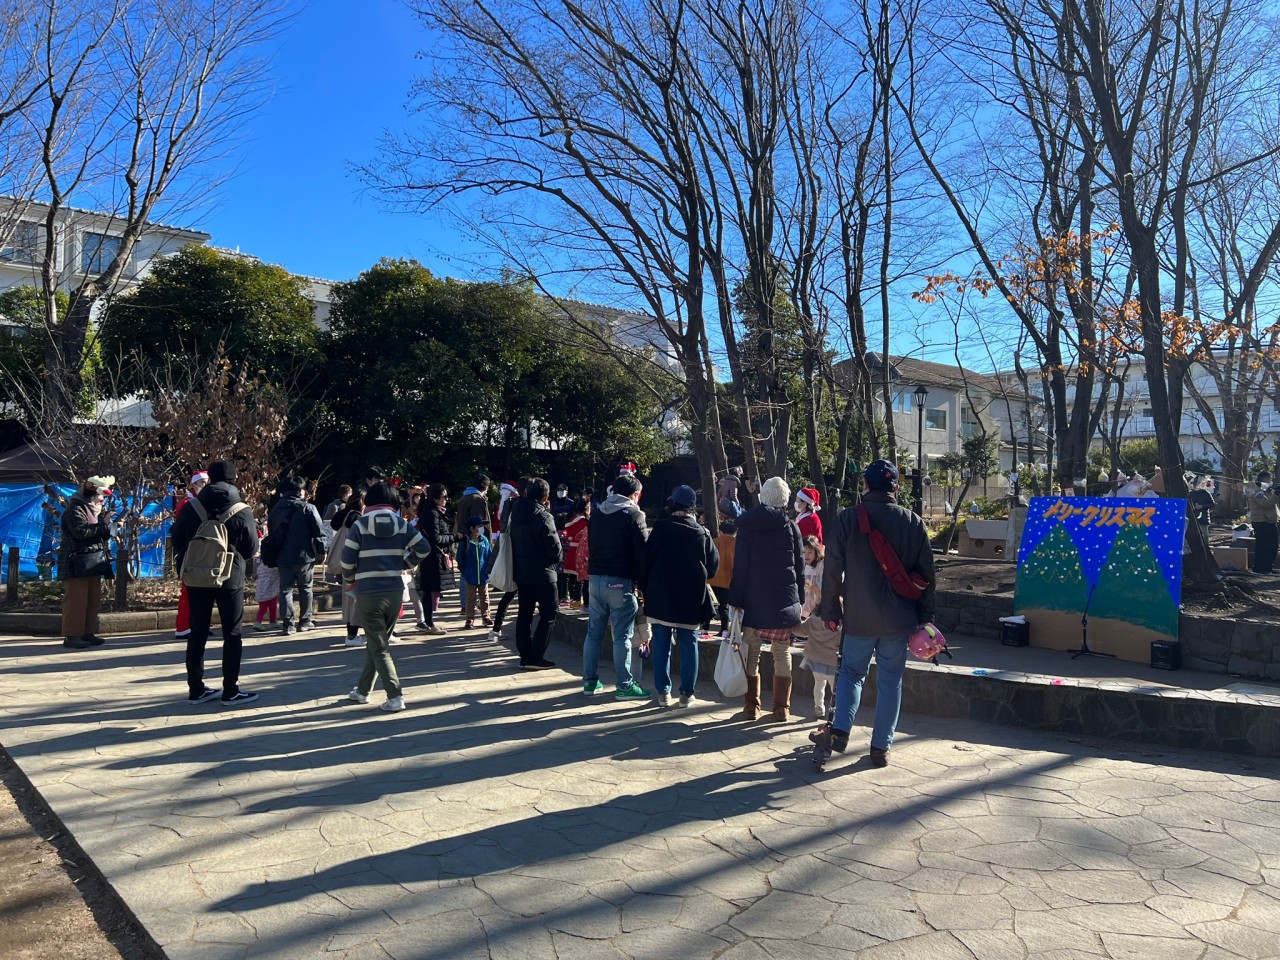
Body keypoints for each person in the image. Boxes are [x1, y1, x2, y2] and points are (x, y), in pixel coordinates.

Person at [816, 459, 936, 766]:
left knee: (852, 674)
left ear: (865, 486)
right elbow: (927, 577)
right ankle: (880, 747)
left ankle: (840, 730)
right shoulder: (913, 522)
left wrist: (830, 609)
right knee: (890, 681)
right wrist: (925, 620)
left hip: (859, 616)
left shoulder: (848, 519)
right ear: (896, 488)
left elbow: (832, 569)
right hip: (900, 620)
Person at [171, 460, 259, 705]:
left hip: (198, 576)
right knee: (232, 633)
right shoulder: (242, 509)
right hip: (230, 576)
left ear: (209, 478)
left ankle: (196, 688)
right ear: (233, 480)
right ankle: (231, 689)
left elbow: (177, 537)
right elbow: (251, 548)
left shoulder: (194, 506)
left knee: (197, 632)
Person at [341, 480, 432, 712]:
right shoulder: (402, 525)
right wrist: (404, 563)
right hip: (394, 592)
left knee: (379, 646)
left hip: (368, 592)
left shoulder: (360, 525)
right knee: (377, 642)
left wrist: (351, 582)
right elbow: (424, 548)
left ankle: (395, 696)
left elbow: (346, 561)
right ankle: (362, 691)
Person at [727, 476, 805, 721]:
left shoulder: (748, 526)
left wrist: (736, 599)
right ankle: (782, 708)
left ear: (763, 496)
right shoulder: (792, 527)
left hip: (754, 602)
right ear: (785, 499)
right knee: (782, 653)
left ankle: (752, 705)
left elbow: (740, 568)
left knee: (752, 652)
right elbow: (799, 568)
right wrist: (798, 601)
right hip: (783, 603)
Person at [640, 485, 719, 708]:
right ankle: (686, 694)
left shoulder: (660, 529)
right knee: (689, 645)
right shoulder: (702, 534)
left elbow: (646, 562)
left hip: (660, 597)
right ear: (692, 508)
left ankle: (663, 693)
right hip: (691, 599)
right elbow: (713, 568)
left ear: (672, 504)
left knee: (661, 645)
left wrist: (644, 587)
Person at [582, 473, 650, 699]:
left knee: (593, 633)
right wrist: (642, 584)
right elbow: (642, 553)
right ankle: (624, 686)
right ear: (633, 494)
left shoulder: (598, 513)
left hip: (595, 579)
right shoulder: (633, 514)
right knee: (621, 635)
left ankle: (590, 683)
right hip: (620, 582)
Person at [506, 477, 562, 669]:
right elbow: (555, 550)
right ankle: (536, 655)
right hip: (544, 573)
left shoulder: (515, 511)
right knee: (548, 614)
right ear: (545, 496)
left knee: (524, 613)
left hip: (521, 572)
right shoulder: (544, 516)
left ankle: (524, 653)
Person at [58, 475, 116, 649]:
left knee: (92, 598)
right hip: (75, 560)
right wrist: (103, 525)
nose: (101, 499)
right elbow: (81, 532)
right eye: (100, 495)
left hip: (92, 560)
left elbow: (99, 533)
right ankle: (72, 635)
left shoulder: (94, 509)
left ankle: (87, 632)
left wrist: (111, 527)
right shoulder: (74, 508)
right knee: (76, 599)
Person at [268, 477, 326, 635]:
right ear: (301, 491)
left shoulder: (275, 509)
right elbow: (319, 534)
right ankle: (305, 621)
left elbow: (271, 532)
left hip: (282, 556)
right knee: (305, 587)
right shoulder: (309, 508)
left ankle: (288, 624)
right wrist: (322, 552)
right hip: (304, 557)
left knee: (285, 589)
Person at [791, 536, 841, 718]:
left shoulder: (823, 565)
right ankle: (834, 710)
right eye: (804, 552)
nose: (806, 555)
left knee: (818, 685)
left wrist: (790, 625)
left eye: (810, 552)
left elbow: (800, 629)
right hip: (831, 661)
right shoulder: (839, 626)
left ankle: (819, 707)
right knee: (833, 687)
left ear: (816, 551)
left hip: (816, 660)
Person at [416, 483, 464, 635]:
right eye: (444, 497)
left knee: (430, 591)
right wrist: (456, 537)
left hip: (434, 556)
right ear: (436, 498)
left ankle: (428, 622)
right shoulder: (431, 513)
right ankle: (429, 624)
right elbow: (436, 538)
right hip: (431, 557)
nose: (446, 500)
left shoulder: (435, 512)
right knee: (429, 590)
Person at [173, 472, 209, 640]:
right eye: (202, 482)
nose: (205, 484)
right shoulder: (187, 504)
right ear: (193, 485)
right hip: (191, 552)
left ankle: (197, 624)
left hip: (203, 551)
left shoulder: (202, 501)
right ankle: (183, 626)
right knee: (188, 591)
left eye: (207, 482)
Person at [706, 499, 739, 636]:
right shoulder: (737, 544)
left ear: (720, 530)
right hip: (730, 580)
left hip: (714, 579)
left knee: (718, 605)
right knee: (726, 606)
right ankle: (725, 629)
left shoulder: (714, 542)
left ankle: (708, 627)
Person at [458, 517, 493, 630]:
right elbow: (459, 558)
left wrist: (488, 570)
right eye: (479, 526)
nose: (482, 528)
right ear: (472, 529)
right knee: (470, 598)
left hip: (483, 575)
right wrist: (465, 572)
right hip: (470, 576)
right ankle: (470, 618)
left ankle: (486, 617)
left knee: (485, 597)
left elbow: (489, 556)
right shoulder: (466, 542)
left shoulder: (485, 540)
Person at [1250, 471, 1280, 574]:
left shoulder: (1268, 491)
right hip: (1262, 522)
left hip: (1271, 522)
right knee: (1263, 546)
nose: (1270, 482)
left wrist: (1276, 493)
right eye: (1269, 480)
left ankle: (1268, 567)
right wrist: (1276, 495)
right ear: (1263, 480)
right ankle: (1259, 568)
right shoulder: (1255, 490)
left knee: (1273, 546)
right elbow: (1265, 504)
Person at [563, 498, 590, 609]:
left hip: (572, 550)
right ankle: (581, 602)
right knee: (582, 579)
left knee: (573, 578)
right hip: (583, 552)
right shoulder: (586, 522)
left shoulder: (572, 521)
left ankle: (574, 602)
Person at [252, 545, 280, 633]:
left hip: (262, 590)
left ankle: (273, 621)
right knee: (268, 607)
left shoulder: (261, 566)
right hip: (270, 589)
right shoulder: (273, 566)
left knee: (269, 606)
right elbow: (279, 573)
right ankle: (258, 622)